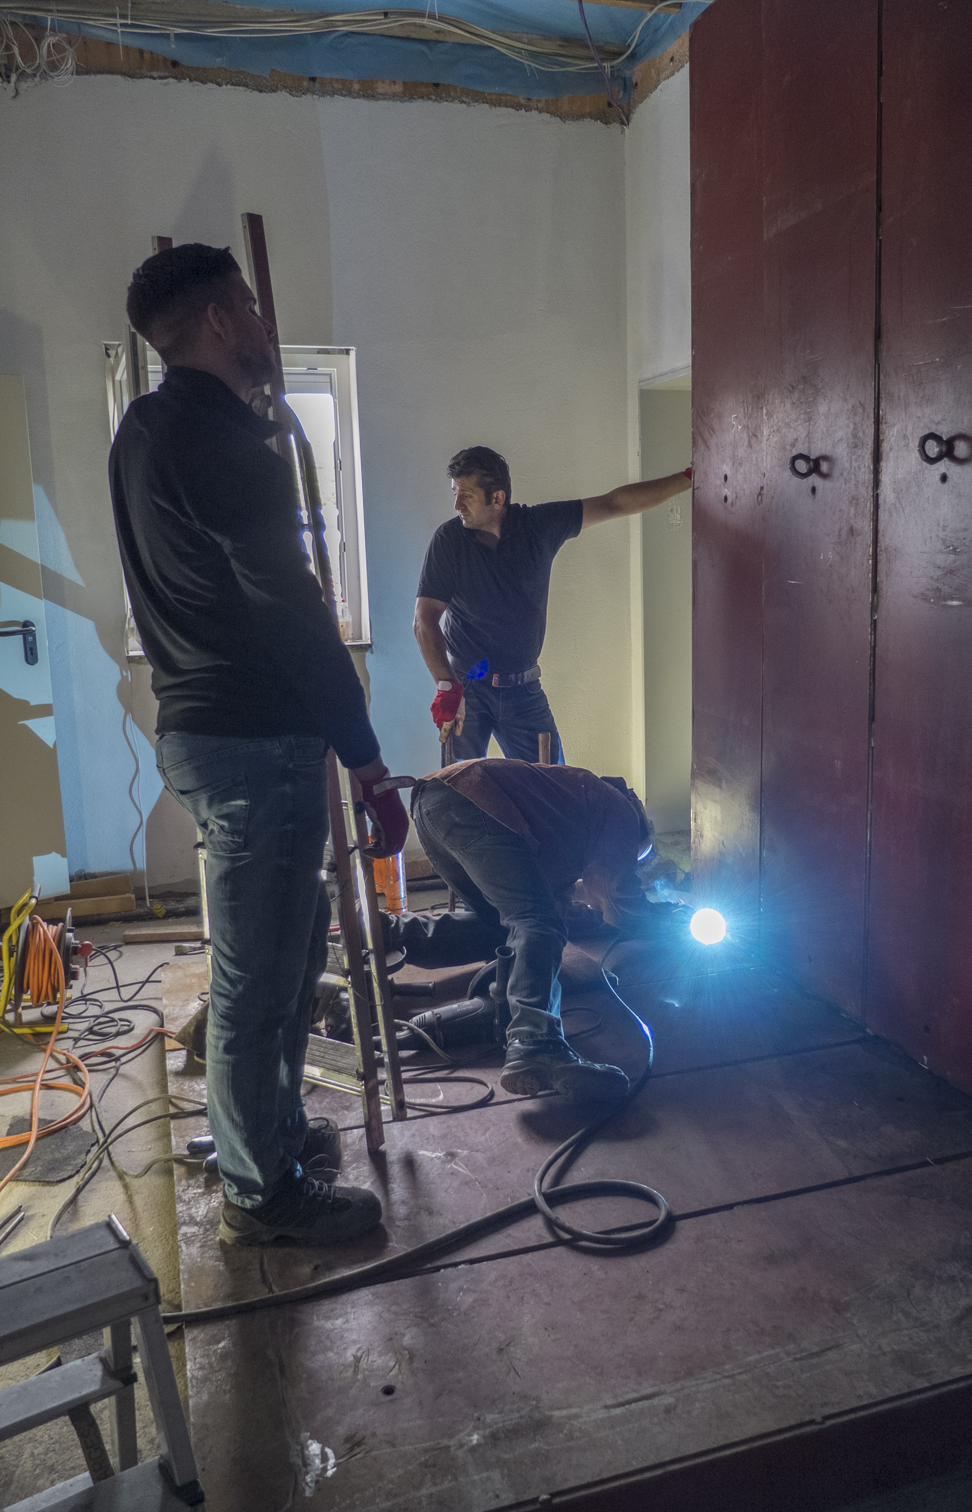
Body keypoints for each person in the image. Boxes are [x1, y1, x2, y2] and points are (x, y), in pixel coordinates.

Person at [109, 243, 408, 1248]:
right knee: (256, 984)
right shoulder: (232, 447)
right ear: (221, 319)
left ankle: (271, 1137)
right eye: (251, 305)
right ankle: (260, 1192)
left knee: (280, 965)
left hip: (203, 731)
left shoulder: (144, 430)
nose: (264, 324)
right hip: (255, 741)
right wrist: (367, 757)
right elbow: (291, 609)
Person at [384, 758, 671, 1099]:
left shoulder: (569, 821)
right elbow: (617, 898)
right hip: (472, 799)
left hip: (433, 805)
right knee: (534, 921)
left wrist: (599, 922)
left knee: (503, 925)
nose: (628, 860)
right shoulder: (620, 810)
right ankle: (535, 1043)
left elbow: (568, 910)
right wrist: (666, 923)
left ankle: (388, 934)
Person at [414, 446, 692, 761]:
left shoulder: (538, 526)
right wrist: (447, 687)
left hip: (522, 689)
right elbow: (424, 619)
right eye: (455, 493)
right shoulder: (448, 540)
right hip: (467, 686)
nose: (457, 505)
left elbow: (613, 503)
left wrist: (688, 478)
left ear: (498, 498)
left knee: (551, 783)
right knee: (460, 784)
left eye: (466, 496)